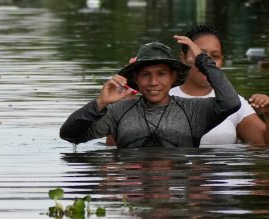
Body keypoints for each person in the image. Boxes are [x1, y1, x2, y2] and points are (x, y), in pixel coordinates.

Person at [60, 36, 241, 148]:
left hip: (176, 188)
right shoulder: (118, 111)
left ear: (173, 77)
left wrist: (202, 59)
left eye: (161, 74)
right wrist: (99, 103)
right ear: (136, 80)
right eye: (145, 75)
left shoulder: (193, 110)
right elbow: (70, 136)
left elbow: (230, 103)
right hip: (135, 192)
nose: (153, 82)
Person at [172, 24, 269, 147]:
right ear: (183, 58)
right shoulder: (164, 99)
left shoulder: (233, 102)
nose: (206, 62)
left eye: (215, 57)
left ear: (222, 61)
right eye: (200, 54)